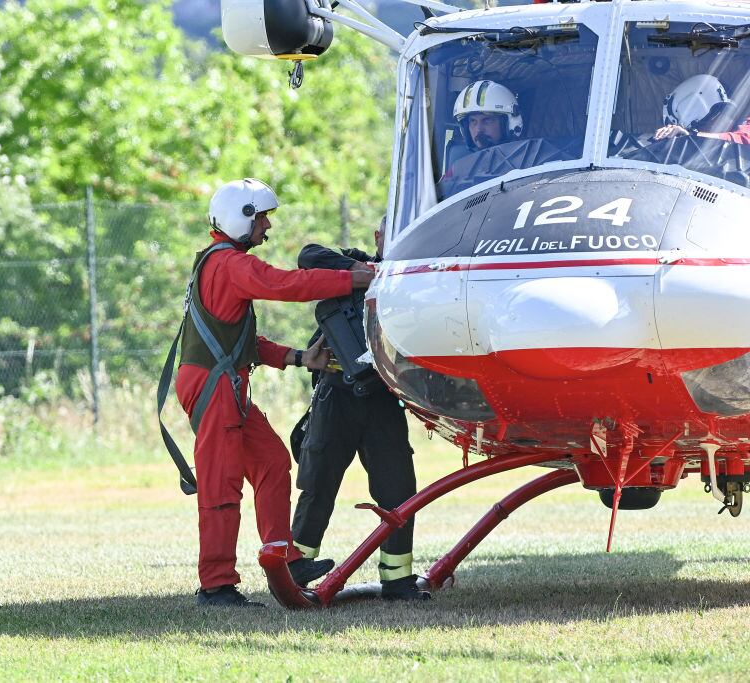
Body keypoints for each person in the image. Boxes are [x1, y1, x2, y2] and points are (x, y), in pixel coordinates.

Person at [175, 178, 375, 607]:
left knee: (270, 460)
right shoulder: (229, 264)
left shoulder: (220, 262)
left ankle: (284, 563)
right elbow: (284, 285)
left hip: (223, 383)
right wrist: (351, 279)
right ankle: (216, 586)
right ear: (240, 218)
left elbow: (243, 341)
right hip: (215, 387)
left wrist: (301, 358)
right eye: (262, 217)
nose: (267, 227)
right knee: (221, 484)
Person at [290, 216, 428, 601]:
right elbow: (309, 255)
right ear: (377, 238)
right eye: (389, 235)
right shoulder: (355, 262)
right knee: (318, 481)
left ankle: (398, 580)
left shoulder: (413, 276)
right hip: (336, 394)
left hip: (384, 400)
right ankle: (296, 569)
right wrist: (361, 273)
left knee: (397, 487)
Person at [653, 74, 750, 144]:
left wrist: (690, 135)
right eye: (700, 127)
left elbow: (743, 138)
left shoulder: (746, 127)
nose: (706, 129)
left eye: (728, 113)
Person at [453, 79, 525, 151]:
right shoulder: (461, 161)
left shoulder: (528, 160)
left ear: (510, 124)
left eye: (487, 120)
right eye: (473, 121)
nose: (479, 129)